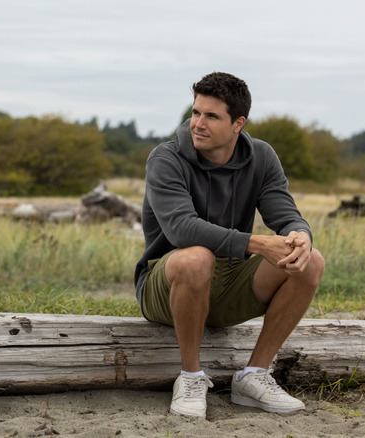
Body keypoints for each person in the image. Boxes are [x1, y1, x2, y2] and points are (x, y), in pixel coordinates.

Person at [133, 72, 325, 419]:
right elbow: (181, 229)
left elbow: (285, 213)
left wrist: (300, 235)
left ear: (238, 123)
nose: (198, 123)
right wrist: (255, 243)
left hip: (230, 284)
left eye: (211, 116)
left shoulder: (261, 156)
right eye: (195, 113)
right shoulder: (166, 158)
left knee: (311, 261)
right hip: (167, 285)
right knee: (196, 259)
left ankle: (254, 376)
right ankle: (190, 378)